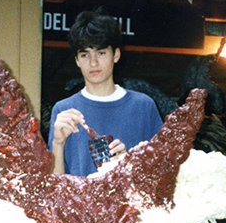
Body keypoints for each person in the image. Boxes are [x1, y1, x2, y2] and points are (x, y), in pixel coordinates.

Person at [48, 9, 163, 176]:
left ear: (116, 55)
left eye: (101, 53)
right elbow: (53, 184)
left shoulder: (143, 106)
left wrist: (130, 164)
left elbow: (163, 172)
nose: (93, 63)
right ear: (77, 60)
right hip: (79, 194)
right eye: (85, 55)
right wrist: (58, 143)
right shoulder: (64, 111)